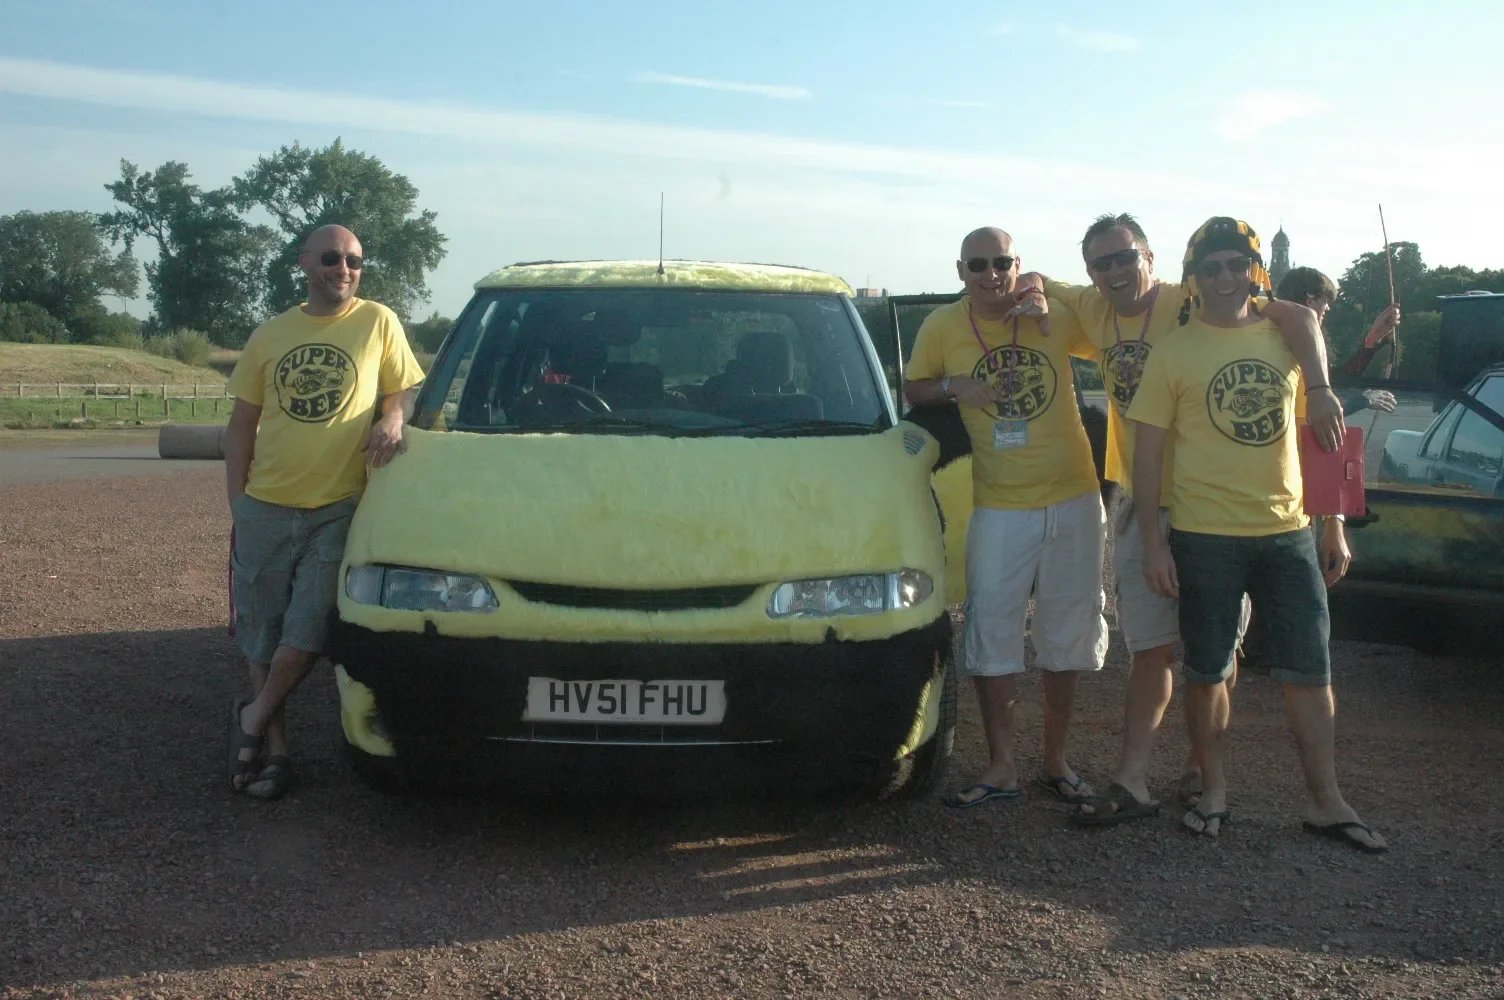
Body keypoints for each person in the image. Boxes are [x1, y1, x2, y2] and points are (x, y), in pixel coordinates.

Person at [1025, 214, 1342, 825]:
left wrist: (1326, 393)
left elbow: (1296, 318)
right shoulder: (1094, 307)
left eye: (1125, 257)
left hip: (1218, 505)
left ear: (1151, 256)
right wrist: (1033, 291)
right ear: (1091, 270)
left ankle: (1202, 772)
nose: (1115, 271)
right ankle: (1133, 777)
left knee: (1217, 650)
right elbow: (1034, 277)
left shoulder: (1196, 295)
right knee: (1150, 645)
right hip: (1147, 500)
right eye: (1101, 262)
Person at [1125, 216, 1387, 852]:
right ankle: (1212, 788)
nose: (1224, 277)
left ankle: (1327, 801)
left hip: (1289, 532)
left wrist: (1334, 525)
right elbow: (1149, 455)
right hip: (1203, 534)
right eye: (1210, 267)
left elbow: (1318, 439)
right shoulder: (1176, 350)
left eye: (1236, 265)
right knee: (1208, 668)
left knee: (1310, 671)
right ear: (1193, 277)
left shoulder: (1288, 336)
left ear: (1255, 271)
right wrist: (1154, 546)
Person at [904, 226, 1108, 809]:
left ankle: (1055, 760)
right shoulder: (943, 325)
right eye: (978, 265)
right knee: (992, 628)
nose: (991, 275)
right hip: (1000, 503)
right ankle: (1001, 765)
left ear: (1019, 263)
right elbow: (914, 389)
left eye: (1003, 263)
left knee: (1067, 631)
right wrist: (954, 385)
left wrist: (1044, 287)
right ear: (960, 270)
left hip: (1074, 496)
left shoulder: (1051, 313)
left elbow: (1112, 335)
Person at [223, 224, 425, 799]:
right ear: (305, 262)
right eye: (333, 258)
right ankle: (277, 753)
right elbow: (240, 426)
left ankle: (251, 720)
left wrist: (392, 419)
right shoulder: (270, 334)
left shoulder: (377, 320)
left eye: (356, 260)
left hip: (337, 507)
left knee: (309, 628)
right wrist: (237, 499)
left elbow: (402, 388)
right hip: (264, 504)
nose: (345, 268)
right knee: (261, 634)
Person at [1276, 266, 1401, 414]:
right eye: (1325, 301)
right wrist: (1362, 400)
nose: (1327, 308)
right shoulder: (1290, 342)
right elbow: (1319, 411)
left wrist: (1372, 339)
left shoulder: (1283, 334)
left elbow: (1331, 381)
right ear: (1310, 299)